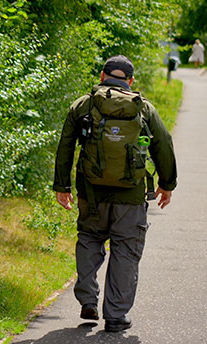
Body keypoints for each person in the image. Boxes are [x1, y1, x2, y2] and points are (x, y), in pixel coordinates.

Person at [53, 55, 177, 332]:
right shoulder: (143, 107)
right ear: (130, 80)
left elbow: (66, 145)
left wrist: (62, 186)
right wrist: (167, 184)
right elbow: (164, 145)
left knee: (89, 240)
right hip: (130, 196)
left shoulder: (83, 104)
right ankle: (116, 316)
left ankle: (88, 300)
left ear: (102, 76)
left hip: (91, 191)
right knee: (125, 250)